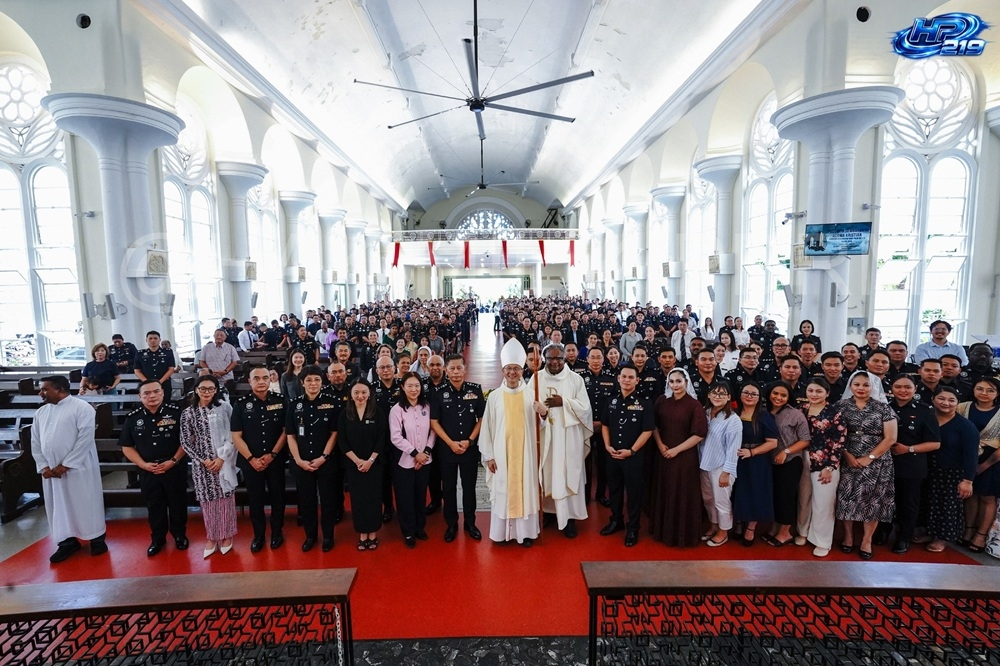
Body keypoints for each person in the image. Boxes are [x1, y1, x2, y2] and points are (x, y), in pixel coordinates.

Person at [31, 375, 108, 563]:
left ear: (59, 389)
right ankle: (67, 542)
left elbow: (85, 439)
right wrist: (43, 466)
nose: (41, 393)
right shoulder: (41, 412)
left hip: (79, 466)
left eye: (44, 389)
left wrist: (66, 465)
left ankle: (96, 539)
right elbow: (35, 441)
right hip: (51, 470)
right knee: (58, 506)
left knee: (86, 502)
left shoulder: (82, 408)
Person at [479, 340, 540, 546]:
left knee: (525, 490)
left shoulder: (531, 394)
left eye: (516, 368)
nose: (512, 372)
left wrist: (542, 414)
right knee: (503, 490)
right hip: (501, 455)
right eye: (508, 369)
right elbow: (487, 427)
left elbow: (540, 427)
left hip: (525, 454)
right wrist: (488, 456)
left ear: (522, 370)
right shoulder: (495, 397)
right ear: (502, 370)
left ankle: (526, 534)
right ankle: (502, 534)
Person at [119, 379, 188, 556]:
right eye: (147, 393)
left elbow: (187, 441)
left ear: (163, 393)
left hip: (173, 467)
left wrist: (173, 461)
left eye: (156, 391)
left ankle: (179, 535)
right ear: (140, 396)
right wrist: (143, 465)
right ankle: (158, 539)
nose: (152, 396)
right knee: (154, 505)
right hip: (148, 470)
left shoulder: (176, 413)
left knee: (178, 503)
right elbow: (127, 446)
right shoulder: (133, 418)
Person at [532, 343, 594, 538]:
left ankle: (569, 518)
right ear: (545, 359)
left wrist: (564, 403)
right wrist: (542, 415)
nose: (555, 362)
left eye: (559, 358)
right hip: (545, 436)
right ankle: (549, 512)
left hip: (568, 437)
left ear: (564, 358)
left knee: (568, 475)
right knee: (547, 474)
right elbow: (528, 407)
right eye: (551, 358)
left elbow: (585, 409)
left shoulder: (575, 379)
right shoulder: (536, 378)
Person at [836, 371, 898, 560]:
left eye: (866, 385)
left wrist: (869, 457)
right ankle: (848, 536)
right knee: (847, 498)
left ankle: (867, 540)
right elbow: (834, 434)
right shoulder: (840, 406)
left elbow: (891, 438)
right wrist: (847, 455)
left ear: (873, 386)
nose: (861, 388)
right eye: (857, 384)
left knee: (873, 500)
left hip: (878, 462)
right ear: (850, 386)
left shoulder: (883, 408)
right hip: (848, 458)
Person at [179, 375, 237, 558]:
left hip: (224, 461)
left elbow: (234, 434)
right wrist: (203, 460)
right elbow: (185, 441)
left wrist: (222, 458)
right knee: (208, 501)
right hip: (202, 465)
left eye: (211, 389)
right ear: (196, 390)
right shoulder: (188, 413)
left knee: (225, 499)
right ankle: (212, 536)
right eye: (203, 388)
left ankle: (227, 535)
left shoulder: (225, 407)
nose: (207, 392)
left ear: (216, 390)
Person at [231, 367, 288, 553]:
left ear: (270, 380)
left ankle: (277, 533)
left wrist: (272, 455)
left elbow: (286, 431)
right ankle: (259, 536)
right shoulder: (241, 404)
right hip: (251, 462)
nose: (261, 381)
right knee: (255, 500)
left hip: (275, 460)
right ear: (250, 381)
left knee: (277, 498)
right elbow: (236, 436)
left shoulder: (281, 401)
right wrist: (251, 459)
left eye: (265, 377)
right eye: (256, 378)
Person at [649, 368, 708, 547]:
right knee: (664, 490)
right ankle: (663, 532)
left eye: (678, 381)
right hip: (663, 454)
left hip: (685, 457)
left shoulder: (694, 405)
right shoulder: (662, 401)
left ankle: (682, 535)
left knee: (682, 493)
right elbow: (654, 426)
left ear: (686, 382)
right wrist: (660, 445)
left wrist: (676, 450)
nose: (675, 385)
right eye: (672, 381)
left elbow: (699, 434)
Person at [430, 354, 485, 542]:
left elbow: (482, 419)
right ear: (446, 370)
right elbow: (434, 422)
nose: (455, 372)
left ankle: (470, 523)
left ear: (465, 369)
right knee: (449, 488)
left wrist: (470, 440)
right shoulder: (438, 392)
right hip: (447, 449)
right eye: (452, 368)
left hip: (469, 449)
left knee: (469, 487)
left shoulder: (475, 390)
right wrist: (450, 443)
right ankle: (451, 524)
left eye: (459, 368)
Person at [883, 374, 940, 555]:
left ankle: (904, 537)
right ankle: (883, 531)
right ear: (891, 389)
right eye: (898, 387)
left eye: (907, 387)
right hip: (885, 464)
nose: (903, 390)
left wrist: (908, 449)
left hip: (911, 465)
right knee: (884, 500)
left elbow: (935, 443)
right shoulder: (884, 407)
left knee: (908, 503)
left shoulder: (925, 411)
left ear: (915, 389)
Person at [600, 364, 654, 547]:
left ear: (637, 380)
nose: (627, 380)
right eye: (624, 376)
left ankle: (633, 528)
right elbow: (605, 424)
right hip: (613, 454)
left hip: (633, 457)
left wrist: (632, 451)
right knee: (614, 490)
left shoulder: (644, 402)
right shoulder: (611, 400)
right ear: (618, 378)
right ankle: (616, 520)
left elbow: (648, 430)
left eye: (631, 377)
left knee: (633, 493)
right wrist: (607, 446)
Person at [286, 366, 339, 553]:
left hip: (326, 462)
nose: (313, 383)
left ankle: (328, 536)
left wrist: (323, 457)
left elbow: (334, 433)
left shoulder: (332, 402)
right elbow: (290, 435)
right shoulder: (294, 404)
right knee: (307, 501)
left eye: (316, 379)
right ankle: (310, 536)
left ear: (322, 381)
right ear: (302, 382)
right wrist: (298, 460)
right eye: (309, 380)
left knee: (327, 500)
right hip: (302, 463)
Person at [926, 386, 978, 552]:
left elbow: (971, 455)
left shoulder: (966, 426)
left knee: (946, 506)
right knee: (927, 503)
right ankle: (927, 532)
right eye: (941, 398)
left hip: (951, 473)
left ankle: (941, 538)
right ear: (933, 399)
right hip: (927, 469)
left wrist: (967, 481)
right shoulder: (927, 419)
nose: (946, 403)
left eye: (951, 400)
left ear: (958, 403)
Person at [799, 377, 847, 557]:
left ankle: (822, 541)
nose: (814, 394)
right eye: (810, 390)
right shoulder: (801, 410)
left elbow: (839, 442)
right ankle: (802, 531)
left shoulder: (835, 413)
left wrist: (831, 467)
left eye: (819, 391)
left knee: (823, 503)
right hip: (802, 458)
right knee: (803, 498)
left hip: (825, 462)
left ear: (827, 393)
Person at [339, 380, 387, 550]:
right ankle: (362, 533)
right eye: (356, 392)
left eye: (364, 392)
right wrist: (358, 461)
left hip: (374, 464)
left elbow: (382, 438)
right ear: (351, 395)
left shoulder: (377, 412)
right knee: (358, 499)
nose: (360, 396)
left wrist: (370, 461)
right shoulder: (345, 414)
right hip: (354, 465)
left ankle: (373, 533)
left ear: (369, 393)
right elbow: (342, 441)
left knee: (373, 498)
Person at [761, 381, 810, 547]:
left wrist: (786, 452)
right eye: (775, 393)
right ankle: (775, 527)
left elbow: (805, 440)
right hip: (769, 461)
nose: (778, 397)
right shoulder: (763, 411)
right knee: (774, 496)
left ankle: (785, 532)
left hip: (789, 462)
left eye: (783, 395)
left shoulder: (795, 414)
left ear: (789, 397)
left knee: (786, 497)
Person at [389, 372, 435, 548]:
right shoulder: (397, 409)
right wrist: (415, 453)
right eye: (410, 386)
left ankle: (419, 527)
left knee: (420, 495)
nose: (414, 389)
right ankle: (408, 531)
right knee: (405, 497)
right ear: (403, 387)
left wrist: (426, 452)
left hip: (425, 460)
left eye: (417, 385)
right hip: (404, 461)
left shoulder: (427, 406)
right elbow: (396, 437)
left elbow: (433, 430)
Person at [957, 378, 1000, 552]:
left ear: (997, 393)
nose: (984, 393)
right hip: (965, 457)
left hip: (993, 460)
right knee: (970, 495)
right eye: (980, 389)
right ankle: (969, 529)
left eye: (990, 390)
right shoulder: (962, 407)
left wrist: (984, 465)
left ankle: (981, 535)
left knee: (987, 498)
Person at [732, 382, 777, 546]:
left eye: (753, 394)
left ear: (759, 398)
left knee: (755, 493)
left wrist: (752, 452)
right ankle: (738, 522)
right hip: (736, 459)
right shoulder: (733, 413)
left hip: (757, 460)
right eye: (746, 393)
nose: (749, 396)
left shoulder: (765, 416)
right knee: (738, 492)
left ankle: (750, 528)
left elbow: (772, 443)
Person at [699, 380, 742, 547]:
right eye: (714, 393)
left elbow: (733, 448)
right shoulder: (704, 412)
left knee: (721, 502)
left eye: (722, 394)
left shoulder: (733, 419)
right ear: (709, 395)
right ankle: (714, 526)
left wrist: (726, 472)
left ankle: (723, 532)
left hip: (721, 467)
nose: (718, 396)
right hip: (704, 463)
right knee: (708, 499)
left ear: (729, 397)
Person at [133, 330, 177, 396]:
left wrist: (159, 382)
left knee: (165, 401)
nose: (153, 340)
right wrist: (147, 382)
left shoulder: (168, 352)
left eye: (155, 338)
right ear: (146, 340)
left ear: (159, 340)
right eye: (150, 338)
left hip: (163, 384)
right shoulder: (140, 353)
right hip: (146, 385)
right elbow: (137, 371)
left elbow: (171, 369)